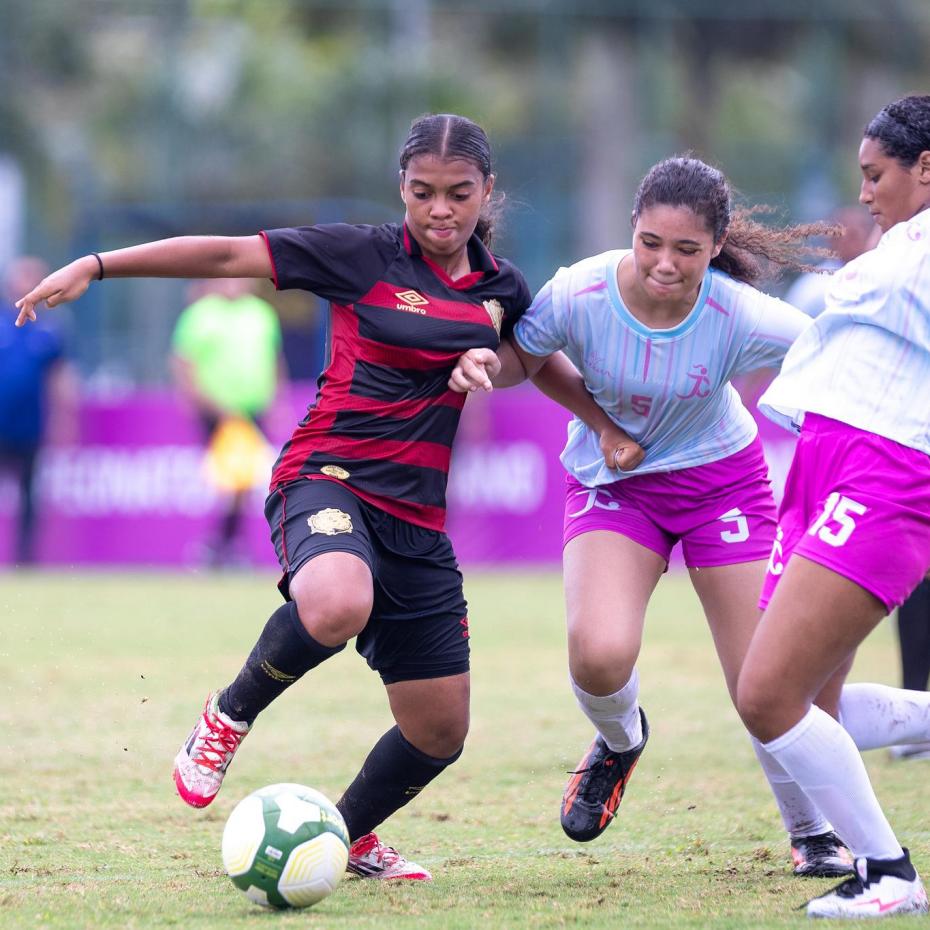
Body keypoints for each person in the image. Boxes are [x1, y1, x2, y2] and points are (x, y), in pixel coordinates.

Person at [14, 113, 554, 882]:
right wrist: (97, 265)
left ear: (486, 191)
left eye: (458, 194)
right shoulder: (359, 253)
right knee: (337, 601)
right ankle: (229, 714)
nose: (440, 210)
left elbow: (523, 359)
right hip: (325, 474)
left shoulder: (503, 288)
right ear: (400, 187)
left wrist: (514, 379)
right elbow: (227, 252)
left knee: (439, 731)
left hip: (417, 519)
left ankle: (343, 836)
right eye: (422, 192)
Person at [448, 154, 930, 882]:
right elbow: (527, 356)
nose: (664, 265)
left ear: (715, 247)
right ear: (631, 230)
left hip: (723, 486)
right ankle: (619, 741)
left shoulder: (741, 314)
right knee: (600, 655)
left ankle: (812, 832)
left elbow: (838, 354)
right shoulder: (579, 290)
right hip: (618, 486)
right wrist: (493, 364)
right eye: (650, 243)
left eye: (686, 250)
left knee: (766, 684)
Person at [736, 94, 930, 918]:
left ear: (927, 169)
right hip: (826, 463)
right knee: (804, 703)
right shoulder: (899, 250)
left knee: (766, 699)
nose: (866, 192)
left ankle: (888, 875)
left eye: (876, 174)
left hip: (885, 475)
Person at [170, 277, 287, 567]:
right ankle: (222, 545)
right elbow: (183, 362)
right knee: (234, 479)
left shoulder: (261, 313)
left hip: (252, 410)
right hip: (217, 412)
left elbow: (274, 359)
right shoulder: (200, 313)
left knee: (243, 481)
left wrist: (277, 401)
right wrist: (197, 400)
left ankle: (223, 545)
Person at [0, 256, 77, 564]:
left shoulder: (51, 331)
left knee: (30, 496)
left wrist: (66, 419)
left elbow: (60, 378)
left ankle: (25, 559)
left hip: (30, 425)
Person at [782, 206, 878, 318]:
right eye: (853, 235)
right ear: (833, 240)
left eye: (865, 230)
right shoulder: (819, 286)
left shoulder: (870, 274)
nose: (862, 239)